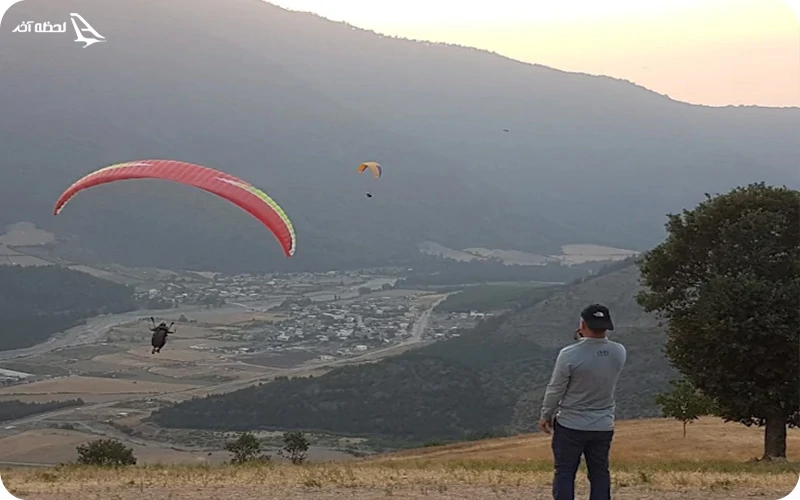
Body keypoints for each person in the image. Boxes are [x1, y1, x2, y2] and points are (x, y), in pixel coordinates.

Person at [539, 304, 627, 500]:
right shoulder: (619, 351)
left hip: (571, 424)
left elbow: (556, 388)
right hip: (603, 424)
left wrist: (546, 414)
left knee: (565, 472)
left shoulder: (569, 354)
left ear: (582, 324)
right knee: (599, 473)